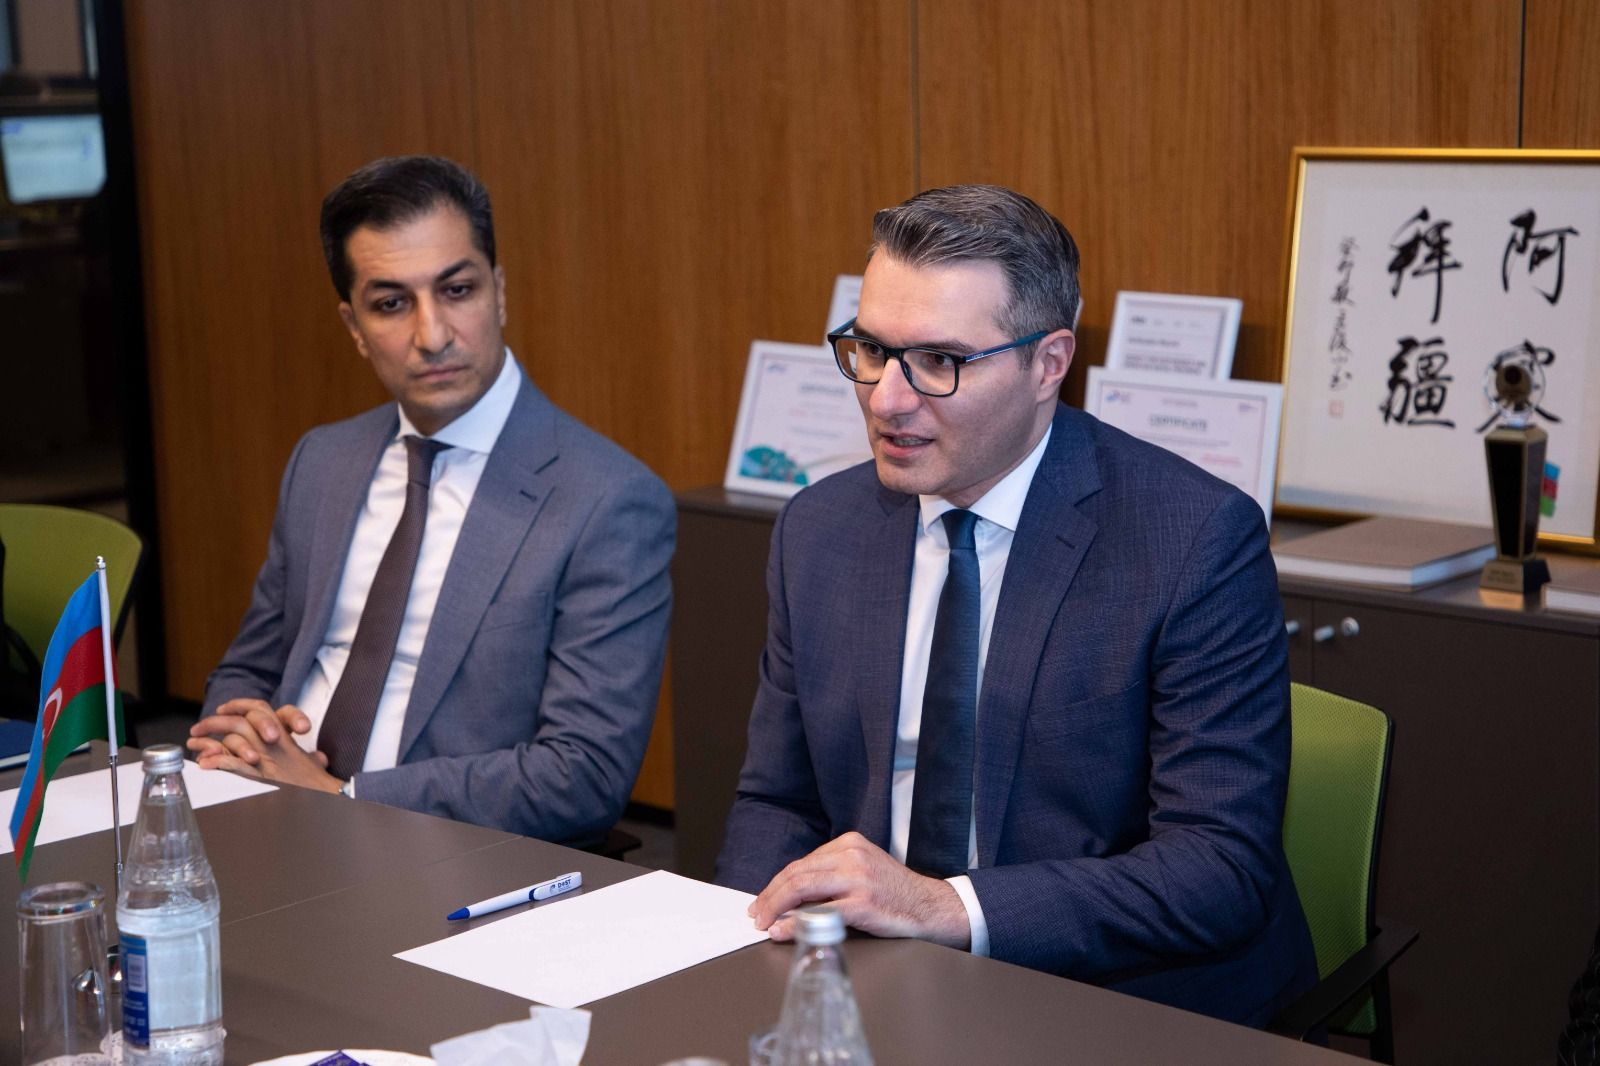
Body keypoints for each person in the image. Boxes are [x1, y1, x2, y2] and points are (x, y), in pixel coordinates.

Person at [715, 184, 1317, 1025]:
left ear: (1048, 363)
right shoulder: (820, 529)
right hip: (872, 981)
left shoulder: (1190, 539)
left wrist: (945, 909)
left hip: (1115, 995)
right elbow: (778, 803)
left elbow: (1218, 868)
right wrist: (754, 956)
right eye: (871, 350)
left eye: (939, 361)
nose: (886, 398)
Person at [188, 155, 673, 844]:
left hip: (442, 857)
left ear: (498, 292)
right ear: (354, 327)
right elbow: (251, 665)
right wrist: (245, 735)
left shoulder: (606, 499)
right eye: (391, 304)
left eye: (457, 290)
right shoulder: (322, 461)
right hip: (268, 822)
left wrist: (340, 797)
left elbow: (584, 772)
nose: (433, 335)